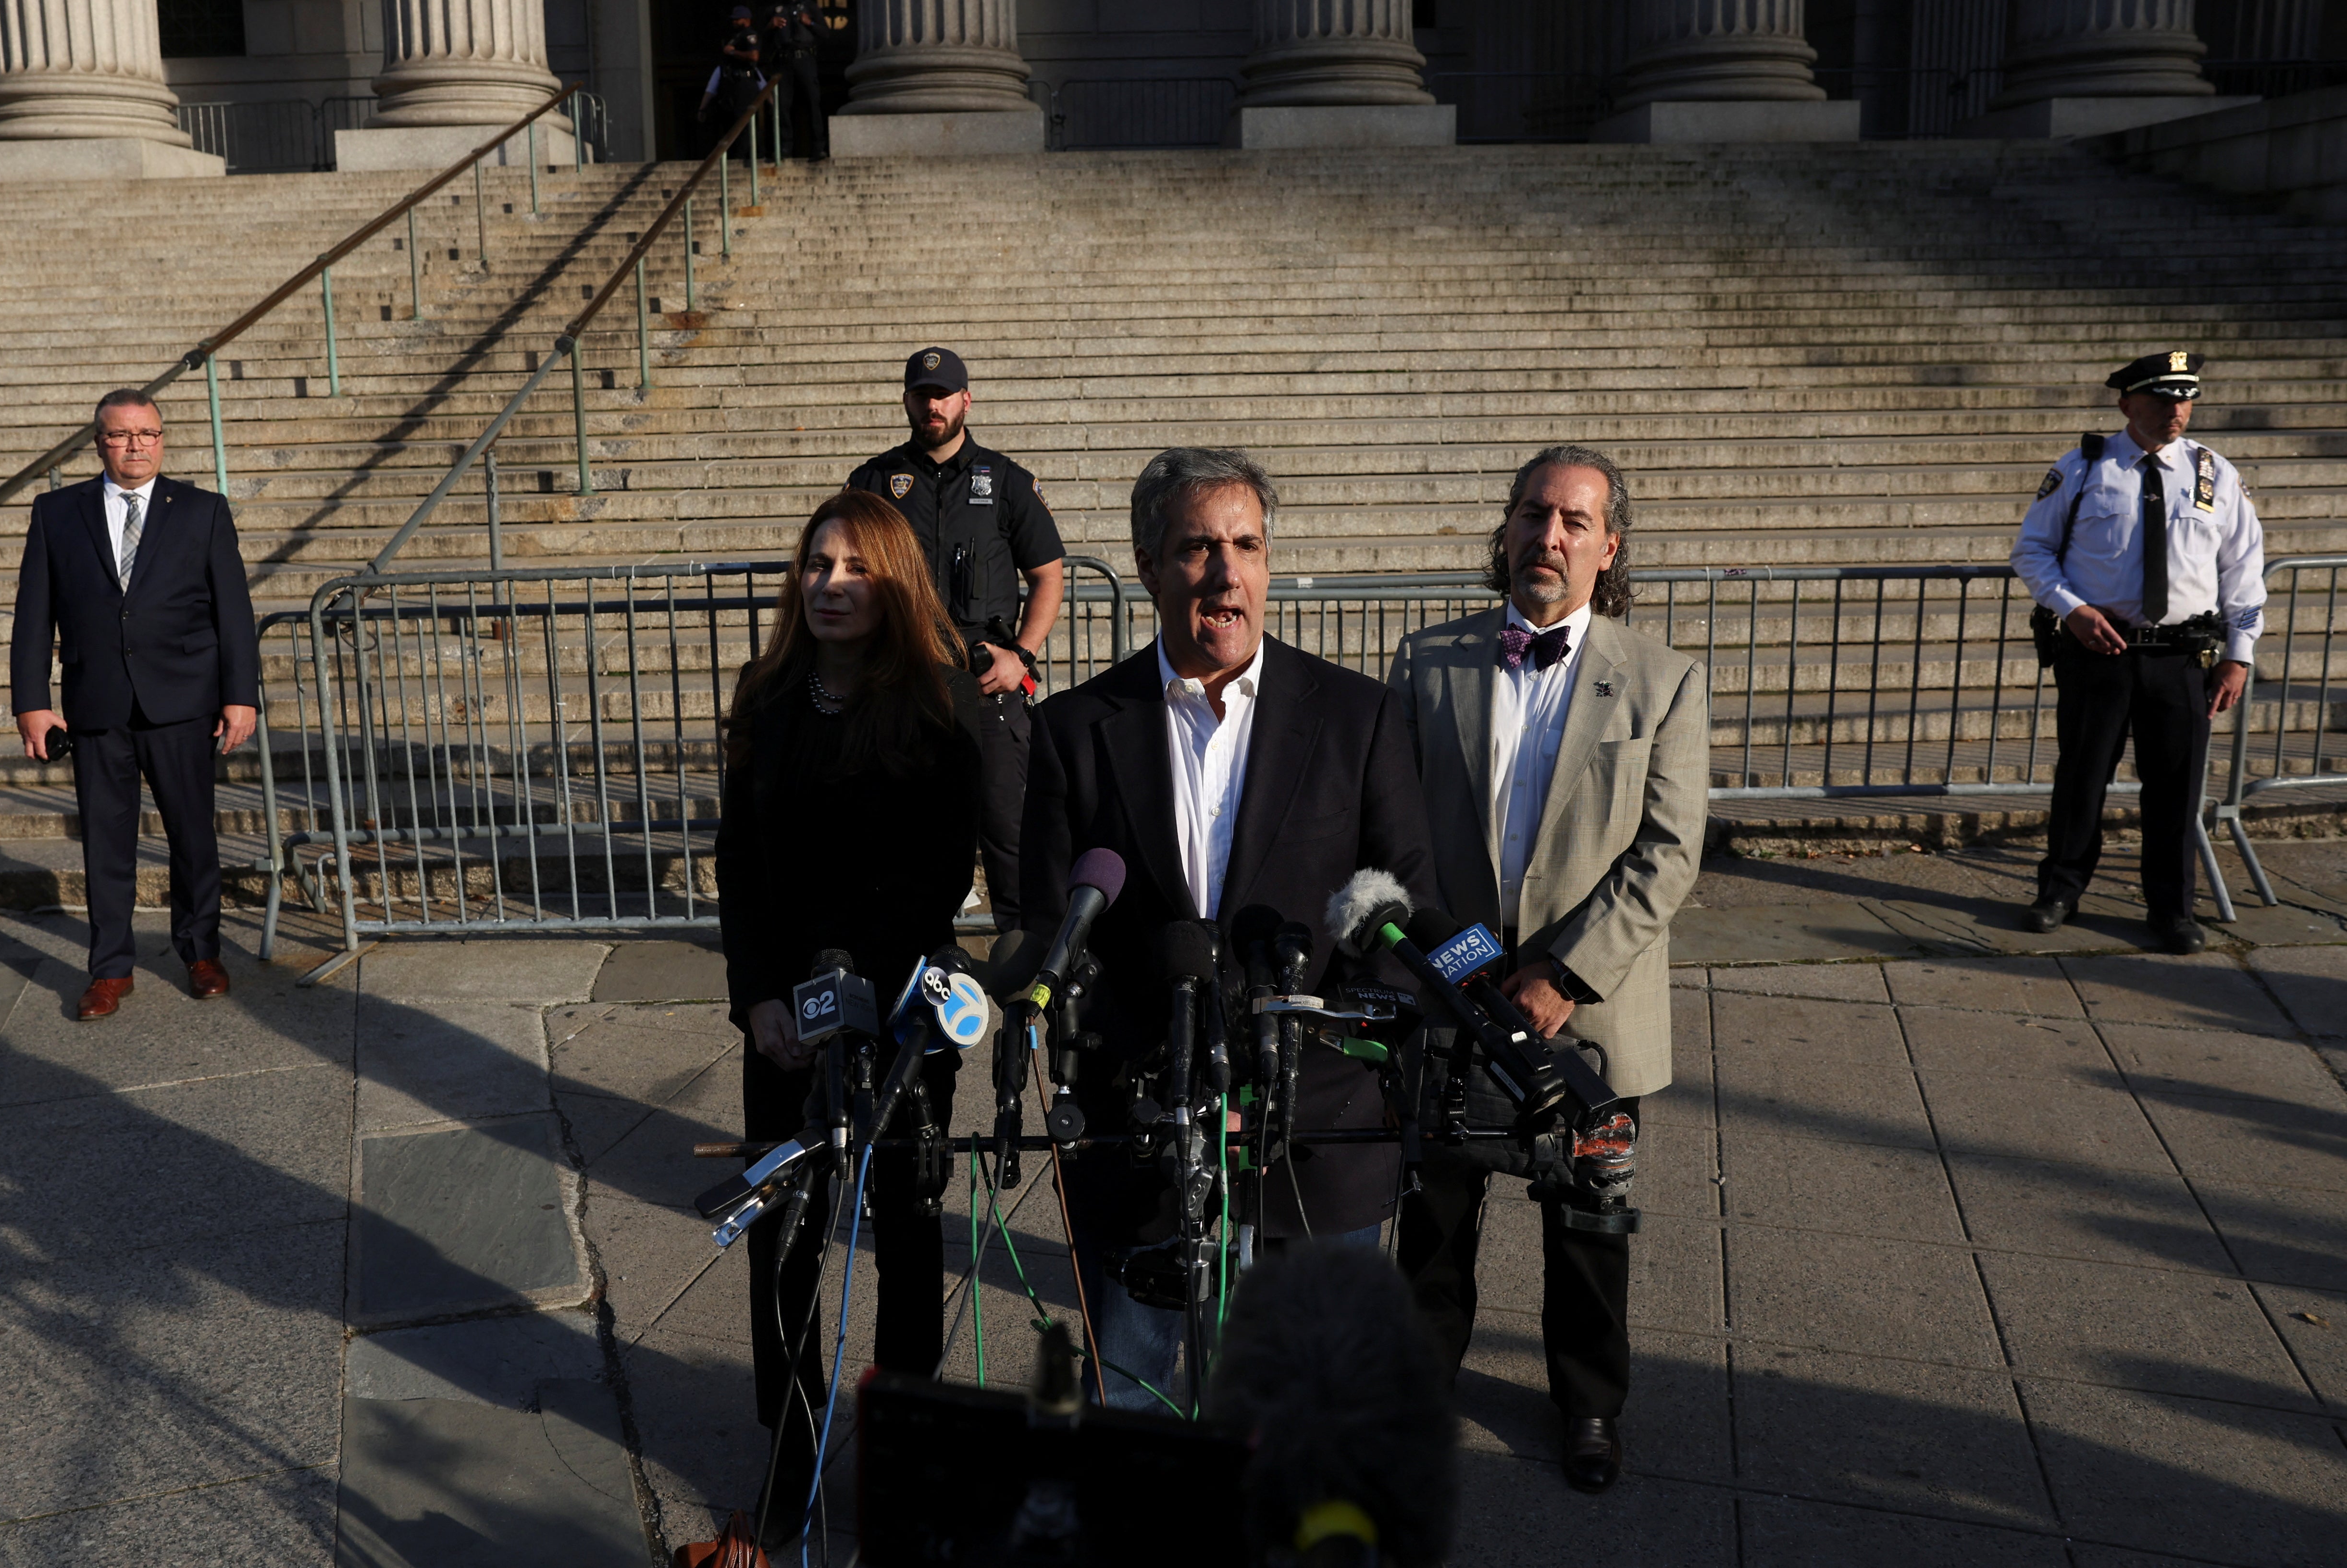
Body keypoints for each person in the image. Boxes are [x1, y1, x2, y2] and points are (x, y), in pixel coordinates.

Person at [1020, 447, 1438, 1412]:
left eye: (1245, 544)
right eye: (1198, 547)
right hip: (1142, 1140)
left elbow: (1405, 911)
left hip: (1312, 1133)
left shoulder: (1358, 717)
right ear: (1147, 566)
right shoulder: (1077, 730)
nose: (1225, 571)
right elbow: (1051, 927)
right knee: (1129, 1402)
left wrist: (1317, 1053)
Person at [1384, 445, 1708, 1493]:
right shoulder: (1426, 661)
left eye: (1574, 521)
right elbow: (1398, 834)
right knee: (1433, 1217)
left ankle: (1589, 1405)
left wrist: (1561, 977)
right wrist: (1465, 966)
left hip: (1591, 1013)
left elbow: (1668, 852)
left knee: (1586, 1224)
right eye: (1533, 514)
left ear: (1608, 547)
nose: (1549, 536)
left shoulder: (1661, 680)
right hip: (1451, 996)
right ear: (1507, 527)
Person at [716, 488, 981, 1544]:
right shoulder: (766, 694)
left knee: (909, 1241)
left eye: (853, 567)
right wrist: (762, 999)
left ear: (895, 580)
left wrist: (857, 1001)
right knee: (778, 1239)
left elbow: (935, 876)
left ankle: (903, 1447)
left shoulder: (938, 703)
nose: (830, 585)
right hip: (782, 1016)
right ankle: (790, 1445)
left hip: (898, 1015)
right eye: (816, 565)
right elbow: (739, 866)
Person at [10, 389, 259, 1020]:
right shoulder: (56, 512)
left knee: (192, 835)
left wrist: (239, 694)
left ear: (162, 439)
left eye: (146, 434)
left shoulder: (201, 510)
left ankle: (201, 950)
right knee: (105, 842)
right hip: (96, 706)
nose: (135, 445)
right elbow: (33, 615)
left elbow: (234, 610)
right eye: (121, 435)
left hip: (182, 701)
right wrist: (32, 701)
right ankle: (110, 967)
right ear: (99, 442)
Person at [2012, 351, 2263, 954]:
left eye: (2185, 399)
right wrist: (2072, 609)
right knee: (2082, 777)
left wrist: (2239, 652)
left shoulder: (2214, 474)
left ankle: (2171, 908)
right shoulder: (2082, 467)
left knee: (2176, 788)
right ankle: (2060, 891)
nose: (2176, 410)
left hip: (2180, 657)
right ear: (2127, 404)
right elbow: (2032, 550)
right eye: (2160, 399)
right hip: (2100, 649)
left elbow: (2243, 568)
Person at [847, 346, 1065, 929]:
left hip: (987, 682)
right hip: (904, 683)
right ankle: (921, 957)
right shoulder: (872, 482)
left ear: (966, 398)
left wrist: (1022, 656)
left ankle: (1023, 958)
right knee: (909, 833)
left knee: (1007, 833)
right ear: (907, 401)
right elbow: (849, 572)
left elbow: (1048, 575)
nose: (932, 405)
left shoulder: (1007, 482)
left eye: (942, 394)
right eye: (921, 394)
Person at [766, 0, 828, 159]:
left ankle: (818, 147)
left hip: (805, 59)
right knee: (783, 106)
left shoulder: (809, 6)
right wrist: (770, 26)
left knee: (812, 102)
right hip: (784, 61)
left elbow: (826, 33)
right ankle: (785, 148)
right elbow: (762, 40)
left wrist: (810, 24)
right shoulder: (774, 10)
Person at [698, 5, 765, 146]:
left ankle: (747, 152)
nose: (734, 22)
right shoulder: (736, 37)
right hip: (732, 83)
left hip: (745, 78)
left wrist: (733, 53)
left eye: (738, 19)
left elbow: (754, 58)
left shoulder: (749, 35)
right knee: (733, 120)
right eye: (733, 20)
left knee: (744, 120)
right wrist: (703, 108)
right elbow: (712, 86)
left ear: (747, 20)